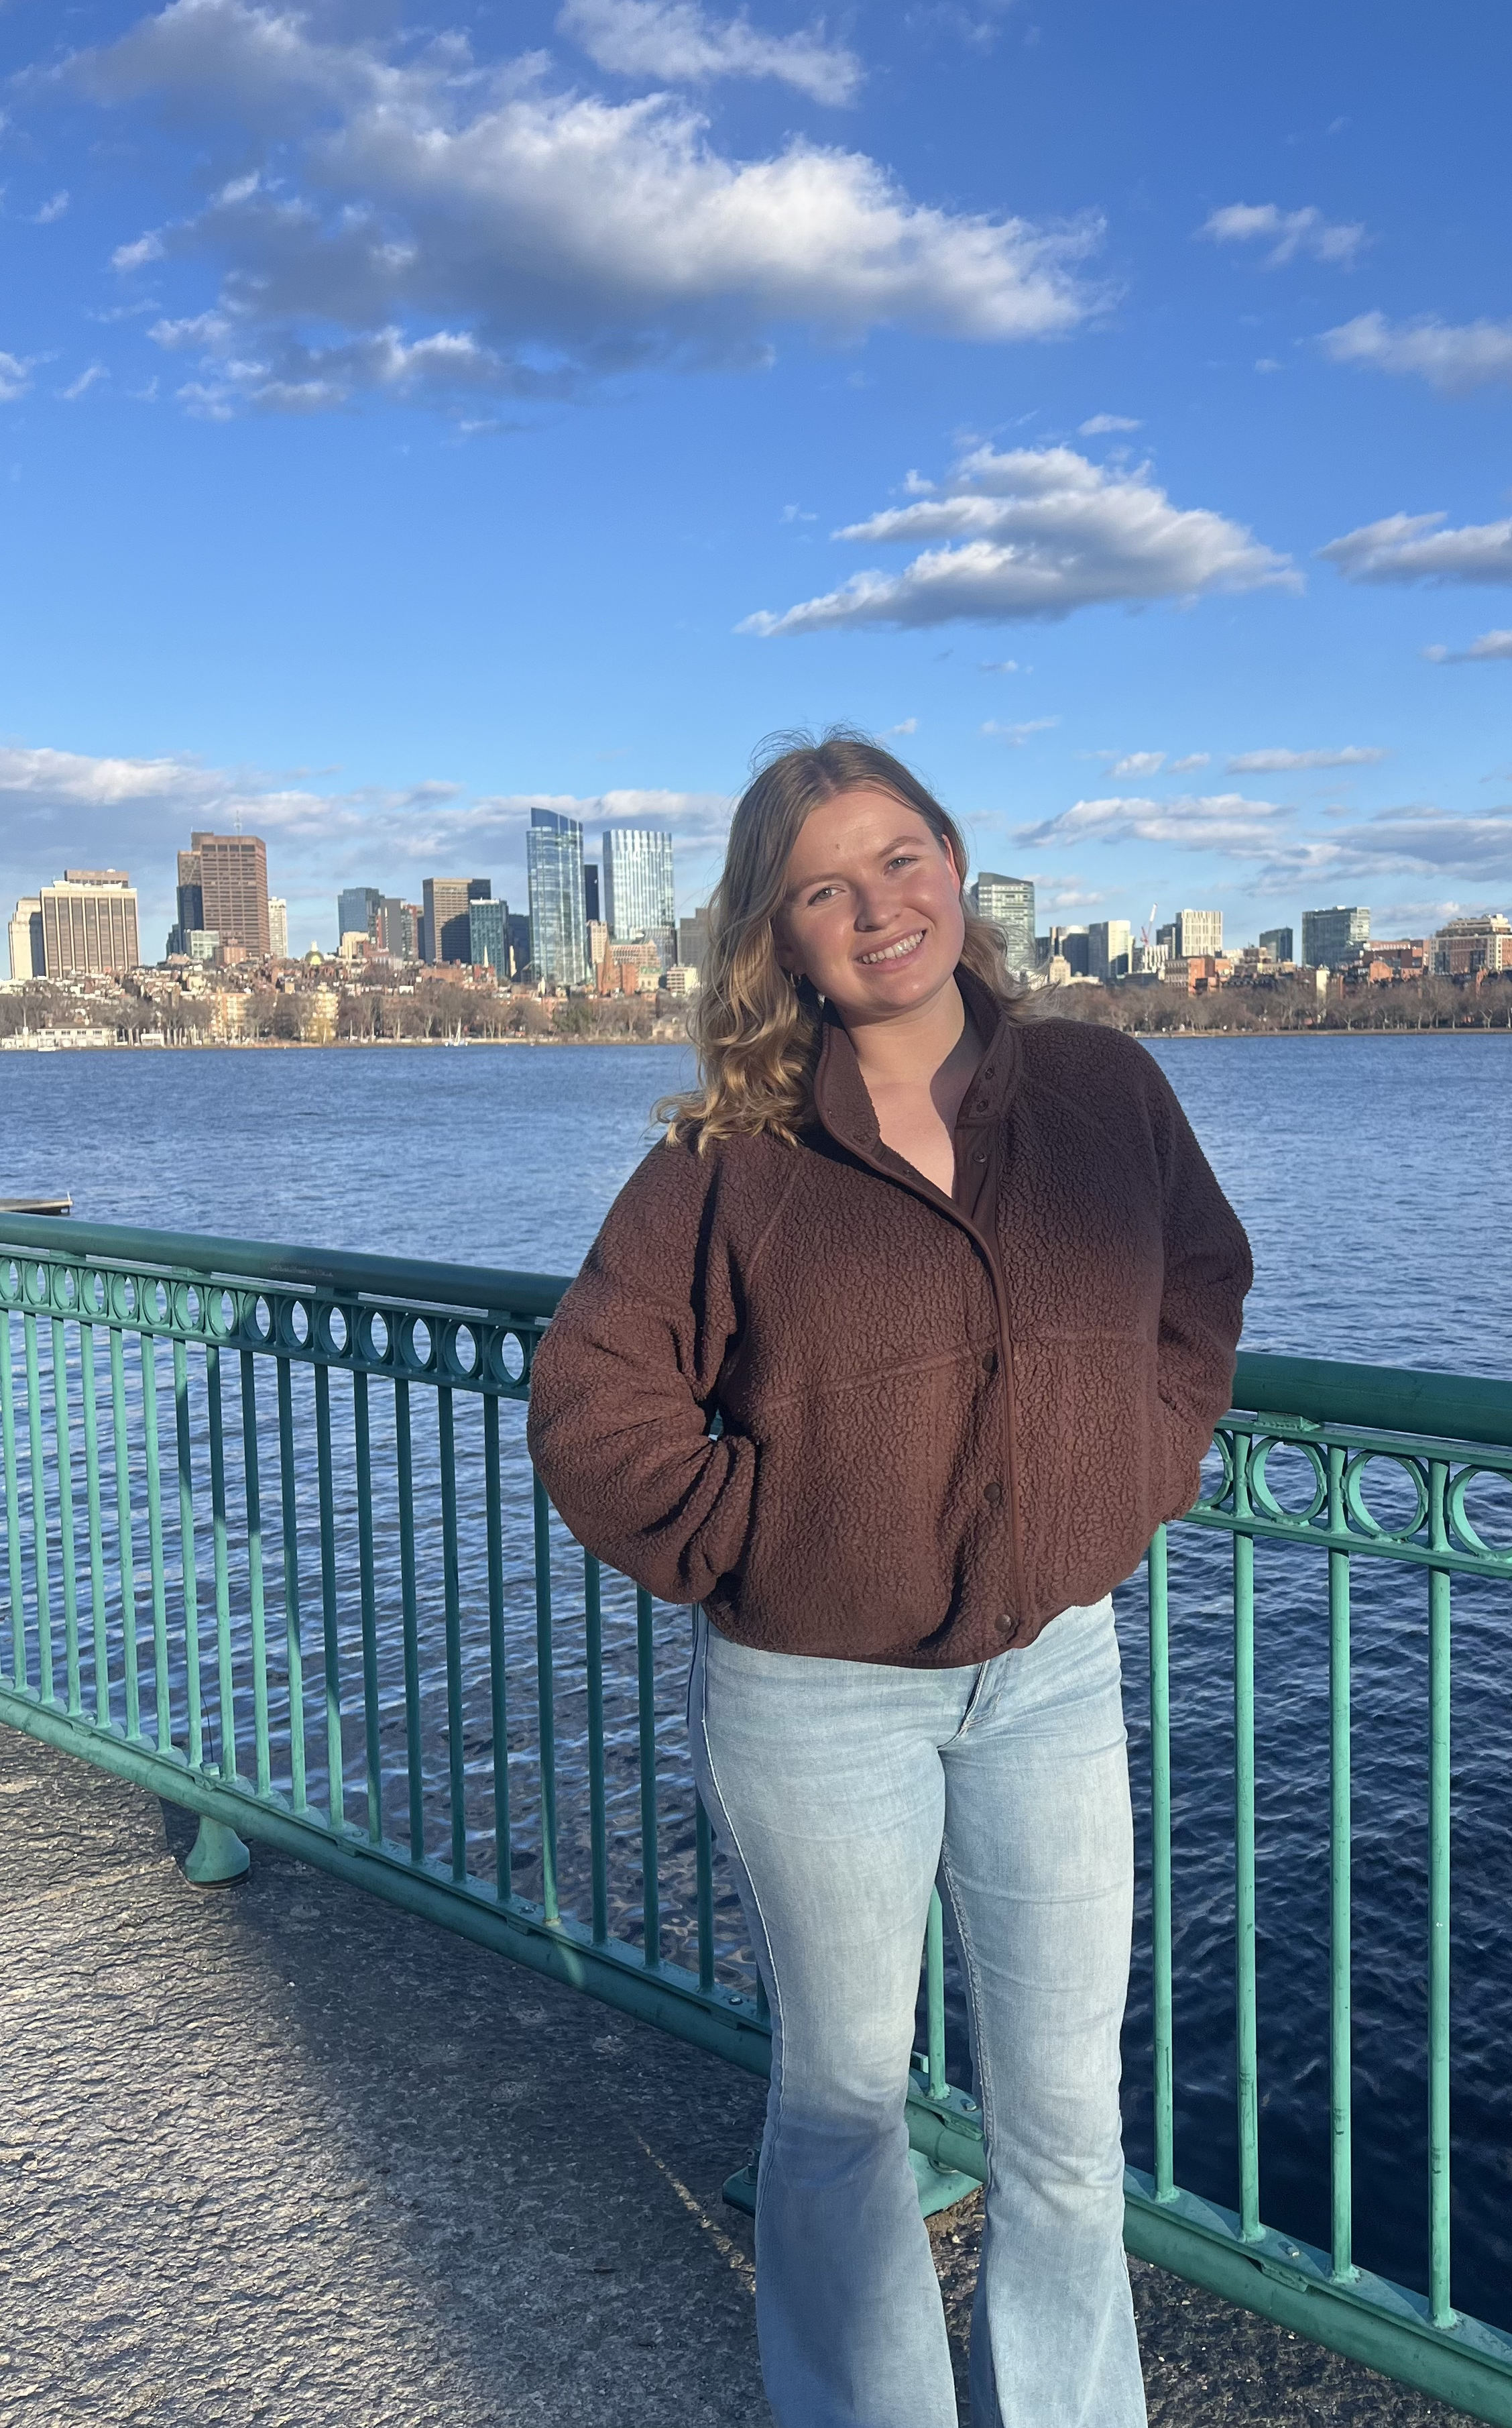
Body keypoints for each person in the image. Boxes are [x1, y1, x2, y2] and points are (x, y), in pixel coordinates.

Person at [528, 732, 1253, 2428]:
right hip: (816, 1700)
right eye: (823, 890)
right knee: (847, 2108)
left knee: (1067, 2129)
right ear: (776, 937)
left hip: (1055, 1673)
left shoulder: (1099, 1091)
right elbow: (591, 1408)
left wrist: (1135, 1467)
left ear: (955, 862)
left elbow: (1201, 1282)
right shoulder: (735, 1157)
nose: (878, 909)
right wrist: (761, 1540)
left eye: (901, 861)